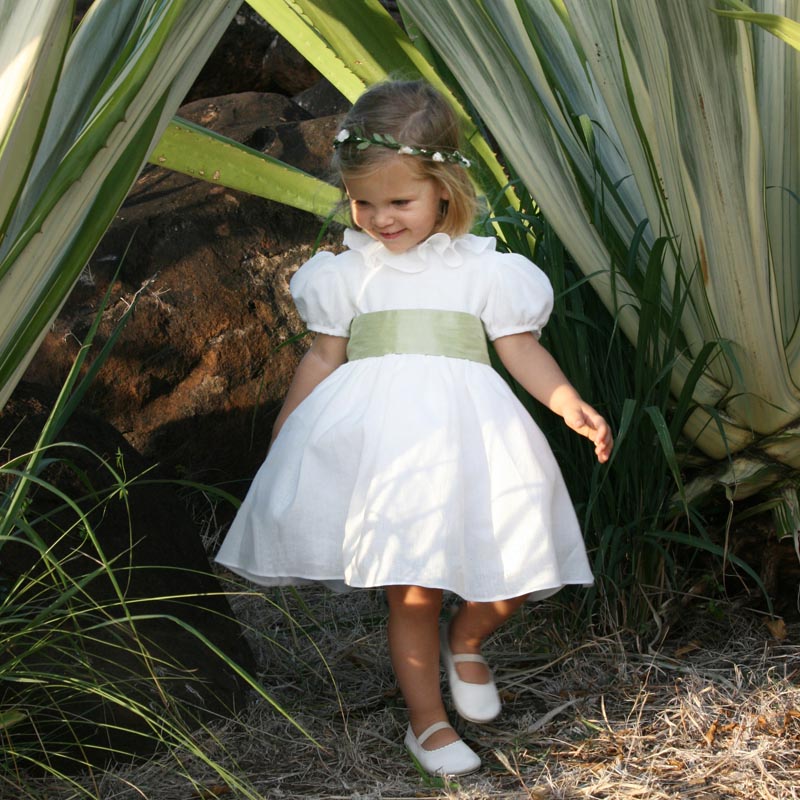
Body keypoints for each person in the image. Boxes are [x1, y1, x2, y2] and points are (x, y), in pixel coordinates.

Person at [216, 80, 613, 776]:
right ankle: (426, 726)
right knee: (413, 586)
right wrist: (288, 426)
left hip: (473, 437)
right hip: (389, 455)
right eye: (363, 202)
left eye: (399, 201)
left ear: (445, 190)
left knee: (517, 555)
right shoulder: (347, 276)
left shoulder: (484, 270)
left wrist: (566, 402)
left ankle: (468, 637)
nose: (380, 218)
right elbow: (322, 355)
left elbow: (519, 346)